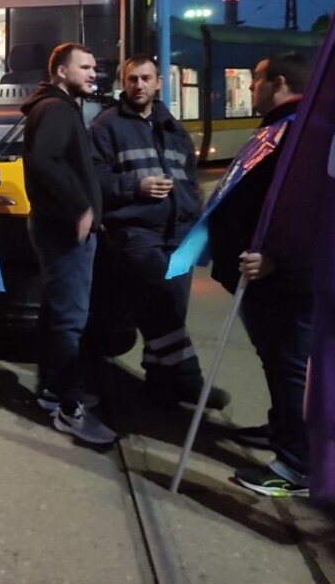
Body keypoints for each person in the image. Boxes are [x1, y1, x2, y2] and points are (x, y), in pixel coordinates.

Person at [89, 55, 229, 409]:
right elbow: (95, 178)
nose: (138, 85)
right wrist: (136, 186)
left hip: (179, 233)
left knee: (173, 311)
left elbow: (190, 180)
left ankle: (160, 384)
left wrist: (196, 220)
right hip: (135, 232)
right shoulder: (106, 126)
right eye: (132, 79)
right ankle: (190, 383)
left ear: (158, 83)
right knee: (160, 307)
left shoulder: (174, 128)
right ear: (123, 83)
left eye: (145, 78)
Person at [208, 52, 313, 497]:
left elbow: (313, 211)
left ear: (279, 82)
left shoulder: (302, 132)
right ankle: (282, 432)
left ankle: (298, 466)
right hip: (263, 277)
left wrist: (276, 258)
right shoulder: (282, 126)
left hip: (282, 280)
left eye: (256, 79)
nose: (251, 87)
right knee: (277, 361)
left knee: (291, 367)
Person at [21, 43, 116, 445]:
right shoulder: (57, 110)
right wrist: (80, 207)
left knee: (56, 312)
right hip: (63, 229)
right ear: (61, 71)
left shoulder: (54, 107)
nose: (94, 73)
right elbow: (45, 161)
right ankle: (68, 406)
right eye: (85, 66)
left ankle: (51, 389)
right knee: (70, 320)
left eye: (94, 67)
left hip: (55, 225)